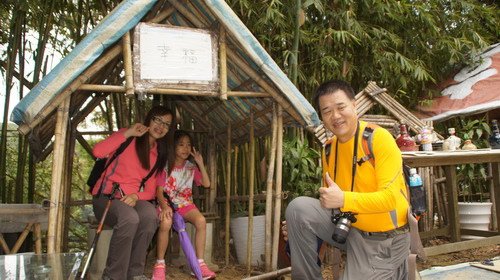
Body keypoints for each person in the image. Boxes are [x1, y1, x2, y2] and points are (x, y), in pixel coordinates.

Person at [285, 79, 410, 279]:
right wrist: (300, 227)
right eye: (326, 111)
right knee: (298, 210)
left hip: (384, 240)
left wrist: (343, 199)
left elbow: (391, 200)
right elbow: (331, 202)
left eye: (340, 107)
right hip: (350, 229)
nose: (335, 116)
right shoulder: (329, 148)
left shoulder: (379, 139)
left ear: (354, 105)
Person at [91, 106, 174, 280]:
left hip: (131, 200)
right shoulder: (127, 137)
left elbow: (151, 191)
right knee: (130, 217)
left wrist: (136, 195)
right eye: (157, 120)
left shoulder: (158, 154)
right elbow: (97, 151)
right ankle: (113, 276)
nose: (161, 126)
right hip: (105, 198)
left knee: (150, 215)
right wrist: (128, 133)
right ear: (149, 119)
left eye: (166, 124)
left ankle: (135, 273)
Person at [151, 130, 216, 280]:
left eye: (188, 145)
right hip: (166, 203)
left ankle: (199, 264)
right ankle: (160, 264)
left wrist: (199, 163)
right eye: (181, 145)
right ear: (173, 147)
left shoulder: (190, 167)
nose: (185, 148)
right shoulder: (165, 166)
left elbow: (206, 184)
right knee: (166, 223)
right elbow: (159, 192)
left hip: (185, 204)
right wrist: (165, 206)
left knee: (201, 221)